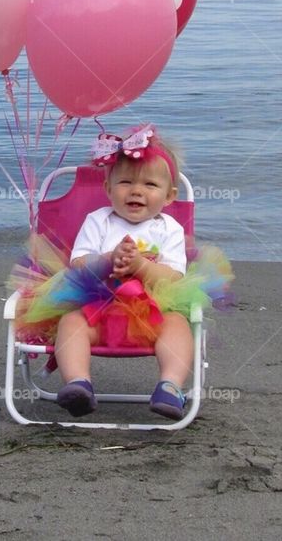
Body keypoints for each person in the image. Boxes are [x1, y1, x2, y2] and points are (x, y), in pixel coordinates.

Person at [53, 125, 193, 419]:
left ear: (169, 196)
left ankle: (170, 385)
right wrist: (107, 260)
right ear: (108, 188)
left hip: (153, 313)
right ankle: (79, 383)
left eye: (150, 186)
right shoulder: (98, 221)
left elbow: (174, 277)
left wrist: (141, 266)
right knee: (70, 323)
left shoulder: (169, 229)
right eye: (126, 182)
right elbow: (78, 265)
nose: (137, 191)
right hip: (97, 310)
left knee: (178, 325)